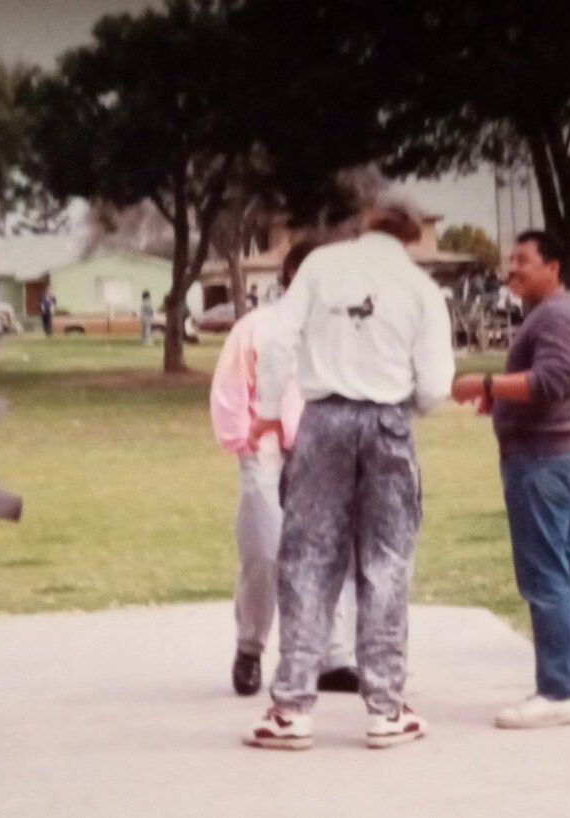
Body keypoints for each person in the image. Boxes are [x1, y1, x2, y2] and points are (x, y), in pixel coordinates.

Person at [242, 193, 454, 751]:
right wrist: (400, 402)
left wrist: (269, 411)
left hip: (323, 420)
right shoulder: (421, 289)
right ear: (413, 233)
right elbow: (436, 386)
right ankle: (386, 708)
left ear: (364, 221)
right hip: (387, 421)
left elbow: (279, 341)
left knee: (309, 560)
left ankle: (291, 707)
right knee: (386, 563)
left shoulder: (321, 266)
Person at [452, 230, 570, 729]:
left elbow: (549, 383)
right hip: (557, 457)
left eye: (523, 260)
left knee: (545, 576)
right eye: (511, 260)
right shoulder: (557, 312)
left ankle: (557, 692)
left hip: (542, 463)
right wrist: (501, 400)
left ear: (553, 266)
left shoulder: (554, 315)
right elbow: (551, 385)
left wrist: (483, 383)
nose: (512, 269)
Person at [210, 241, 359, 698]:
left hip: (325, 453)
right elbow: (230, 389)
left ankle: (332, 656)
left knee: (333, 552)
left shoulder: (345, 332)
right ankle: (250, 647)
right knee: (265, 551)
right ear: (295, 273)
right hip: (267, 452)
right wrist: (245, 442)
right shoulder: (257, 327)